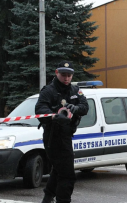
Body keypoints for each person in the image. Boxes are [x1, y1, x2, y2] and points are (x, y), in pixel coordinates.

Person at [35, 61, 89, 203]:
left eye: (69, 75)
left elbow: (85, 106)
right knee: (67, 175)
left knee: (59, 170)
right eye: (63, 75)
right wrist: (54, 116)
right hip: (53, 136)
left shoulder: (75, 90)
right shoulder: (49, 90)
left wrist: (76, 108)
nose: (66, 78)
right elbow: (40, 110)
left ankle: (47, 198)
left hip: (67, 135)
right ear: (56, 73)